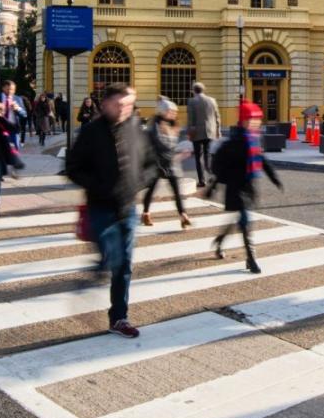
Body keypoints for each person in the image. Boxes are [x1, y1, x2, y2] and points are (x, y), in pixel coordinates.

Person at [67, 84, 150, 339]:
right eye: (119, 104)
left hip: (127, 207)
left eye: (129, 104)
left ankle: (119, 318)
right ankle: (100, 265)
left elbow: (150, 163)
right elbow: (72, 168)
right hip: (101, 206)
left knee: (124, 266)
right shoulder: (91, 132)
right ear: (105, 105)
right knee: (112, 254)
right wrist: (99, 186)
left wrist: (140, 181)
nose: (124, 108)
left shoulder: (135, 129)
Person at [211, 100, 282, 274]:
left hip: (249, 187)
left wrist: (274, 178)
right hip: (236, 188)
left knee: (240, 220)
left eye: (257, 119)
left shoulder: (255, 140)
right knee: (245, 222)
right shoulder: (233, 142)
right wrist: (217, 183)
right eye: (252, 120)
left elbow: (263, 161)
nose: (256, 123)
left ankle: (220, 240)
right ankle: (251, 258)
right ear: (243, 121)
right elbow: (217, 165)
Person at [142, 97, 192, 229]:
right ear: (163, 111)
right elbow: (158, 145)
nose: (174, 114)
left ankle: (183, 216)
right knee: (151, 190)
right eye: (171, 111)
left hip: (171, 164)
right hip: (157, 163)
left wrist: (179, 155)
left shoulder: (173, 124)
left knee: (177, 191)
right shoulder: (154, 126)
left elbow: (171, 146)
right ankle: (146, 213)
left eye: (174, 111)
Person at [186, 81, 221, 188]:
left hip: (197, 133)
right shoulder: (212, 100)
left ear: (194, 90)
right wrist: (218, 131)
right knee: (208, 155)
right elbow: (217, 117)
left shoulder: (192, 101)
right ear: (203, 90)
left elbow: (191, 119)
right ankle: (212, 175)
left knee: (198, 157)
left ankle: (202, 180)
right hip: (210, 131)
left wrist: (189, 133)